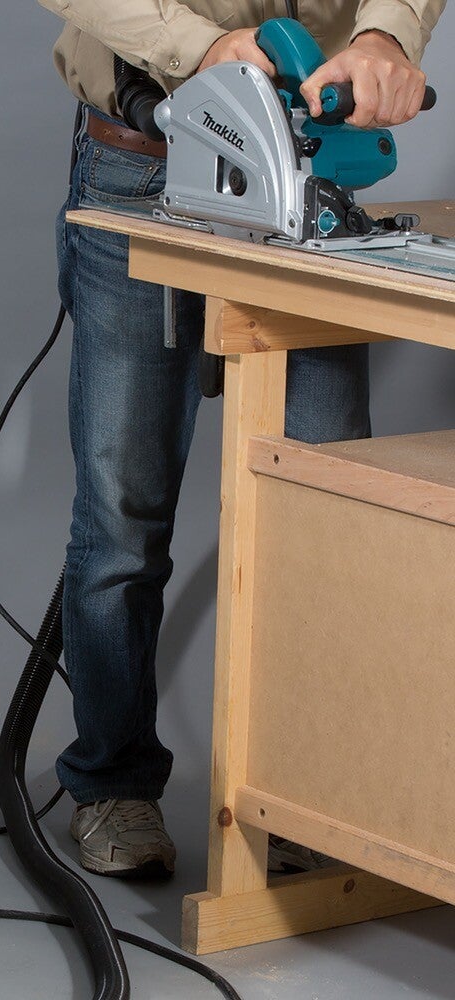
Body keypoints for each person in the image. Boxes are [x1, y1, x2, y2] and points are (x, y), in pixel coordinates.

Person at [35, 0, 447, 878]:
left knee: (324, 515)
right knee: (121, 520)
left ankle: (304, 795)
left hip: (302, 177)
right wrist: (204, 47)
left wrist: (385, 35)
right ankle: (112, 782)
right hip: (142, 163)